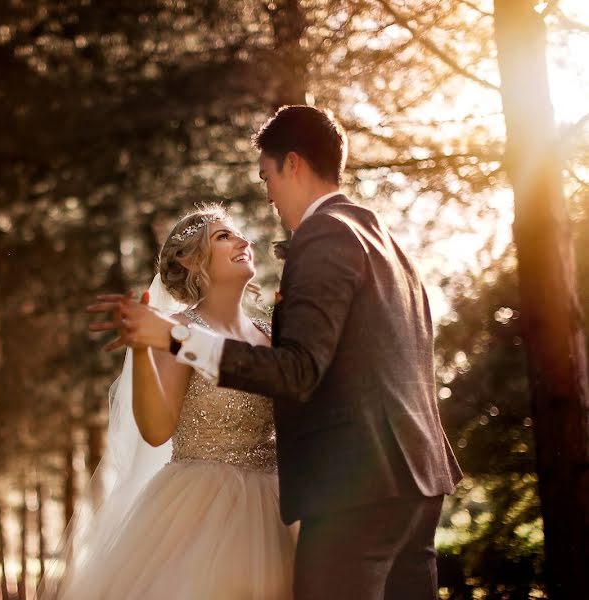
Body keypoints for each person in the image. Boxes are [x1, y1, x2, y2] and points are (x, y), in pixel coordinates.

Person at [93, 105, 463, 600]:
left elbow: (298, 371)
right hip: (417, 479)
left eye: (267, 176)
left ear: (292, 164)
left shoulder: (325, 234)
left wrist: (172, 339)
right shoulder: (383, 240)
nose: (267, 197)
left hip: (358, 487)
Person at [38, 204, 297, 599]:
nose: (244, 241)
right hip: (204, 511)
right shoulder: (177, 331)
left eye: (239, 234)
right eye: (223, 236)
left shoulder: (273, 333)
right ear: (190, 260)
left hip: (281, 506)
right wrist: (143, 350)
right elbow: (157, 430)